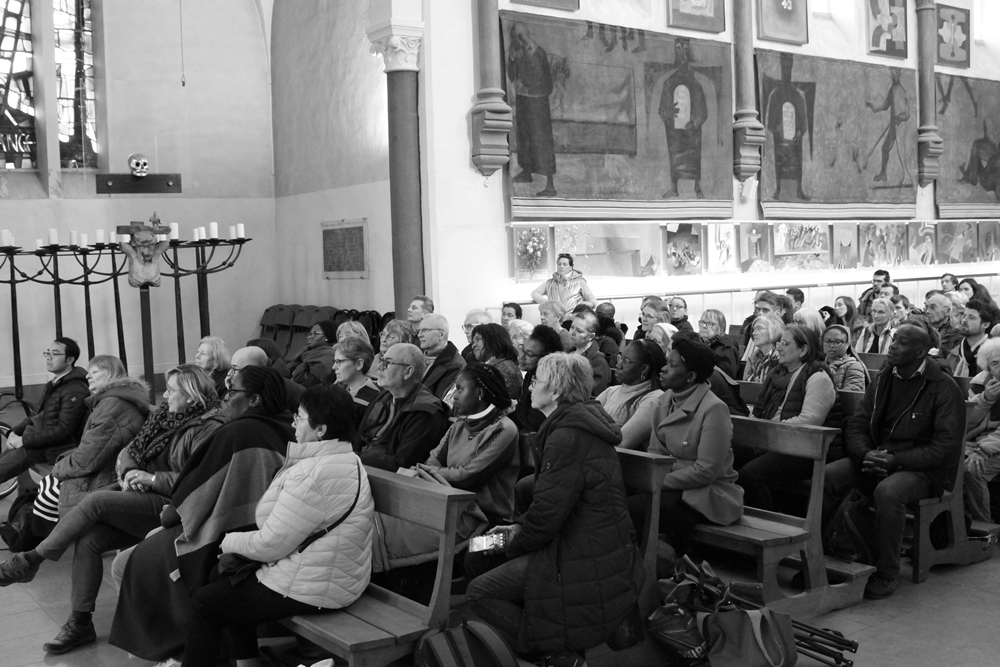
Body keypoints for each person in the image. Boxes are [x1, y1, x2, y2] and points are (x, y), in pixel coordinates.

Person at [0, 365, 224, 654]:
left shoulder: (208, 428)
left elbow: (197, 480)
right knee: (89, 539)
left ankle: (32, 559)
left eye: (171, 391)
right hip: (142, 493)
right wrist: (130, 471)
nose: (165, 396)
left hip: (175, 506)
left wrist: (151, 479)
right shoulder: (165, 416)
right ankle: (80, 623)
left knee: (95, 501)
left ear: (192, 396)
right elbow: (130, 450)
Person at [466, 353, 642, 665]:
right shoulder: (569, 425)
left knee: (479, 590)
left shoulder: (567, 436)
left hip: (580, 555)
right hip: (573, 540)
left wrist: (512, 540)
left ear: (557, 391)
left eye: (537, 381)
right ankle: (542, 636)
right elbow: (551, 504)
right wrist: (517, 526)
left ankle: (556, 653)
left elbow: (547, 519)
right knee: (477, 548)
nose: (530, 386)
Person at [181, 386, 374, 667]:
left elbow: (271, 544)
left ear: (321, 430)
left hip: (314, 586)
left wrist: (228, 541)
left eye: (300, 417)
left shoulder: (315, 473)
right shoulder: (344, 460)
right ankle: (248, 664)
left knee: (206, 602)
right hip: (331, 577)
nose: (294, 423)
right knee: (223, 580)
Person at [109, 366, 293, 660]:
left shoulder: (237, 433)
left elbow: (191, 496)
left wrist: (168, 519)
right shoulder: (287, 429)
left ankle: (175, 650)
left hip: (225, 537)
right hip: (266, 534)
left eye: (232, 392)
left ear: (255, 400)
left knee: (127, 563)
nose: (225, 398)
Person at [823, 322, 965, 599]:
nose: (893, 346)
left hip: (925, 471)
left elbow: (945, 448)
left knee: (889, 492)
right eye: (894, 340)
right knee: (828, 476)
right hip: (879, 457)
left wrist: (896, 460)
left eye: (902, 342)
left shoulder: (942, 387)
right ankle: (825, 558)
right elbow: (858, 423)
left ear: (921, 352)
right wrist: (865, 453)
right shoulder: (884, 378)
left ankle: (887, 572)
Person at [645, 338, 743, 549]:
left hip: (707, 495)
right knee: (616, 500)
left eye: (672, 365)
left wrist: (657, 480)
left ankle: (654, 562)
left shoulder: (714, 409)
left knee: (638, 510)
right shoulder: (662, 402)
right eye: (666, 362)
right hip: (670, 486)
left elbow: (706, 471)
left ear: (690, 376)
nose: (663, 369)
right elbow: (655, 455)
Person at [30, 355, 149, 527]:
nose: (87, 376)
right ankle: (38, 538)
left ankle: (40, 540)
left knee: (50, 492)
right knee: (47, 484)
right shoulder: (113, 401)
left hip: (108, 477)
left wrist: (58, 467)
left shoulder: (112, 407)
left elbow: (87, 459)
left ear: (110, 374)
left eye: (94, 372)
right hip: (107, 468)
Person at [737, 325, 837, 511]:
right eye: (779, 343)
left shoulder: (818, 377)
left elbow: (808, 422)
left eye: (785, 343)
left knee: (751, 476)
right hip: (772, 441)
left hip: (805, 450)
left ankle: (764, 525)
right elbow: (758, 411)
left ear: (803, 350)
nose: (779, 348)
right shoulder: (776, 373)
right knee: (727, 456)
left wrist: (767, 432)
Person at [417, 364, 520, 528]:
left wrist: (432, 472)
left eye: (460, 390)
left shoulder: (503, 429)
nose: (454, 397)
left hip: (484, 516)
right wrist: (430, 471)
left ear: (479, 393)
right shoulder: (460, 424)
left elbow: (467, 477)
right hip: (449, 501)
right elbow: (432, 461)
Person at [0, 337, 89, 487]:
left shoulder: (75, 389)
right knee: (4, 459)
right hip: (37, 440)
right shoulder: (54, 384)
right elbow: (34, 415)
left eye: (55, 354)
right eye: (47, 353)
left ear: (70, 360)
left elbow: (64, 430)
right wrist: (13, 432)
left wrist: (24, 441)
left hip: (54, 448)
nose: (49, 358)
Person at [354, 343, 450, 472]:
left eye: (387, 363)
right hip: (362, 467)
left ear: (408, 372)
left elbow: (402, 463)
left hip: (388, 478)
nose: (379, 367)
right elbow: (359, 441)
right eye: (381, 360)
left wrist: (354, 459)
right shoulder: (384, 398)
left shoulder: (425, 412)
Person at [507, 21, 557, 197]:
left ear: (524, 35)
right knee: (525, 138)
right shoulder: (519, 53)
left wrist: (526, 84)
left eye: (518, 37)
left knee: (541, 140)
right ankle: (526, 172)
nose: (517, 41)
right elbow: (512, 76)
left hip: (538, 102)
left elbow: (541, 78)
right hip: (524, 100)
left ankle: (550, 184)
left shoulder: (538, 52)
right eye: (515, 38)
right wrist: (511, 59)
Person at [659, 37, 707, 199]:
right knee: (675, 158)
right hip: (675, 133)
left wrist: (695, 121)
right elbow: (662, 110)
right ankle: (674, 188)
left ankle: (697, 188)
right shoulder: (669, 83)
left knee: (694, 158)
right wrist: (669, 114)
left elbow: (702, 110)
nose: (682, 54)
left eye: (685, 49)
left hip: (691, 133)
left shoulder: (696, 84)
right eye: (678, 49)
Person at [599, 339, 666, 450]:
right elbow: (586, 420)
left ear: (644, 368)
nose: (618, 365)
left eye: (626, 361)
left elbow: (622, 442)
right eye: (620, 358)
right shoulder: (611, 391)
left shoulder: (654, 399)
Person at [964, 339, 1000, 522]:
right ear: (989, 368)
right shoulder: (984, 385)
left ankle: (983, 527)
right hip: (979, 444)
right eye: (995, 363)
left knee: (973, 470)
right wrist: (986, 400)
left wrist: (983, 450)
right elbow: (967, 422)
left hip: (992, 446)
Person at [509, 325, 563, 434]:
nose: (521, 357)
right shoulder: (530, 374)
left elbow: (534, 423)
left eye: (529, 354)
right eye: (522, 350)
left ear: (546, 357)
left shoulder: (549, 384)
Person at [229, 345, 304, 417]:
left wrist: (232, 390)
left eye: (235, 369)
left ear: (253, 369)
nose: (229, 373)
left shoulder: (274, 389)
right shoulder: (268, 382)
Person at [331, 336, 380, 427]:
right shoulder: (337, 391)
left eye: (339, 362)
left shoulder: (372, 401)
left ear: (359, 364)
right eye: (334, 362)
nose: (334, 367)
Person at [470, 323, 522, 404]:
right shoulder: (493, 366)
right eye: (473, 342)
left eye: (478, 339)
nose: (473, 345)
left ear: (492, 340)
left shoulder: (505, 368)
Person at [418, 313, 467, 399]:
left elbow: (441, 401)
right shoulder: (417, 358)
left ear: (441, 334)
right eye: (419, 331)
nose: (419, 335)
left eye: (425, 330)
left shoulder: (456, 365)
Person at [530, 253, 596, 313]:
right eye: (559, 264)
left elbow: (592, 301)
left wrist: (581, 305)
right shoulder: (550, 283)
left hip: (573, 318)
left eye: (565, 264)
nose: (561, 266)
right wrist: (546, 303)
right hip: (555, 319)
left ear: (571, 267)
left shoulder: (580, 281)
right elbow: (534, 293)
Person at [949, 298, 999, 377]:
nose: (964, 320)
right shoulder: (953, 351)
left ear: (985, 325)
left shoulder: (995, 354)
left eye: (971, 317)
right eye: (964, 315)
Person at [567, 310, 611, 396]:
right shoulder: (568, 353)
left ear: (591, 336)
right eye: (572, 327)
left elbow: (591, 394)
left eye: (579, 331)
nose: (572, 333)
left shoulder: (599, 363)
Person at [288, 320, 337, 388]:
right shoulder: (306, 352)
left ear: (327, 336)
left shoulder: (328, 355)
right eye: (310, 334)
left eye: (315, 334)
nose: (310, 337)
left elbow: (311, 384)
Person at [824, 324, 868, 393]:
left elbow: (850, 395)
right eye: (828, 341)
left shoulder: (854, 366)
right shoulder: (818, 363)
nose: (832, 345)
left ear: (847, 344)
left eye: (837, 342)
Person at [742, 313, 784, 382]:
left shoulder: (780, 357)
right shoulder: (754, 357)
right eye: (754, 329)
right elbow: (746, 384)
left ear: (774, 330)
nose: (754, 333)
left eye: (759, 328)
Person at [697, 309, 738, 379]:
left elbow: (726, 377)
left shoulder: (727, 348)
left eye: (709, 323)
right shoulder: (698, 344)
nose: (704, 326)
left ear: (720, 327)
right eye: (702, 322)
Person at [924, 292, 962, 356]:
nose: (927, 311)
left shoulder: (957, 330)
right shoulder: (923, 326)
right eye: (926, 307)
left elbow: (954, 358)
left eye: (933, 308)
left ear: (947, 311)